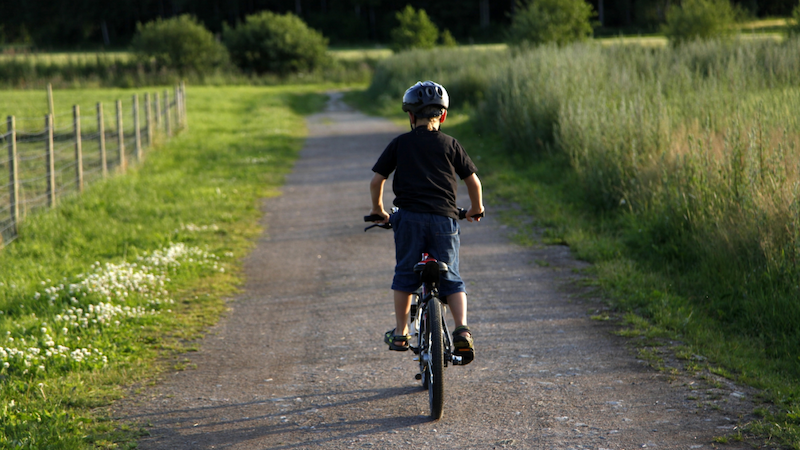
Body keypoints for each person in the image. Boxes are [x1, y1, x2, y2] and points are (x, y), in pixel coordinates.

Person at [369, 80, 484, 365]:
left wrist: (379, 211)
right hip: (445, 219)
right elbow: (473, 181)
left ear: (410, 116)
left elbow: (377, 181)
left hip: (408, 219)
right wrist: (475, 209)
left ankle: (401, 332)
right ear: (443, 116)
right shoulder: (450, 144)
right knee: (452, 278)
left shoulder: (399, 144)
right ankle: (462, 330)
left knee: (405, 275)